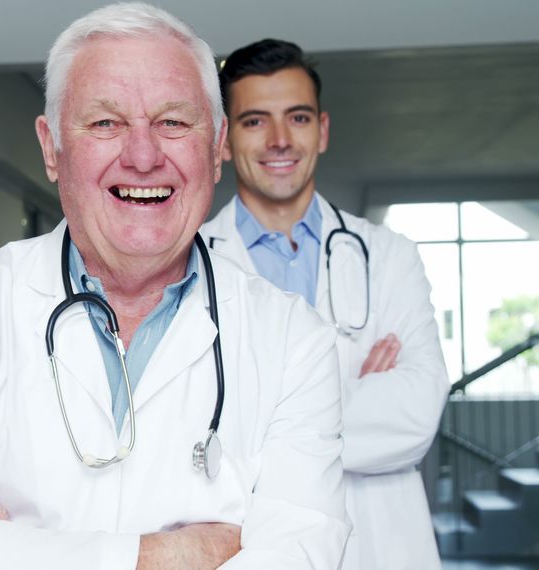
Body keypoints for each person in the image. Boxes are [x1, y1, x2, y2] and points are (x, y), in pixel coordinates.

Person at [0, 4, 350, 569]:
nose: (144, 155)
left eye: (173, 122)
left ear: (217, 145)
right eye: (105, 123)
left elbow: (301, 555)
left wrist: (16, 549)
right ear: (52, 147)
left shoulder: (293, 338)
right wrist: (176, 554)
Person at [201, 39, 450, 569]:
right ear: (222, 141)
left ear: (323, 129)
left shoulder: (388, 256)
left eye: (297, 117)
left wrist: (259, 416)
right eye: (254, 121)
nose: (279, 140)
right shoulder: (192, 266)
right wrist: (357, 394)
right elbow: (182, 435)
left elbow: (418, 413)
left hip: (381, 547)